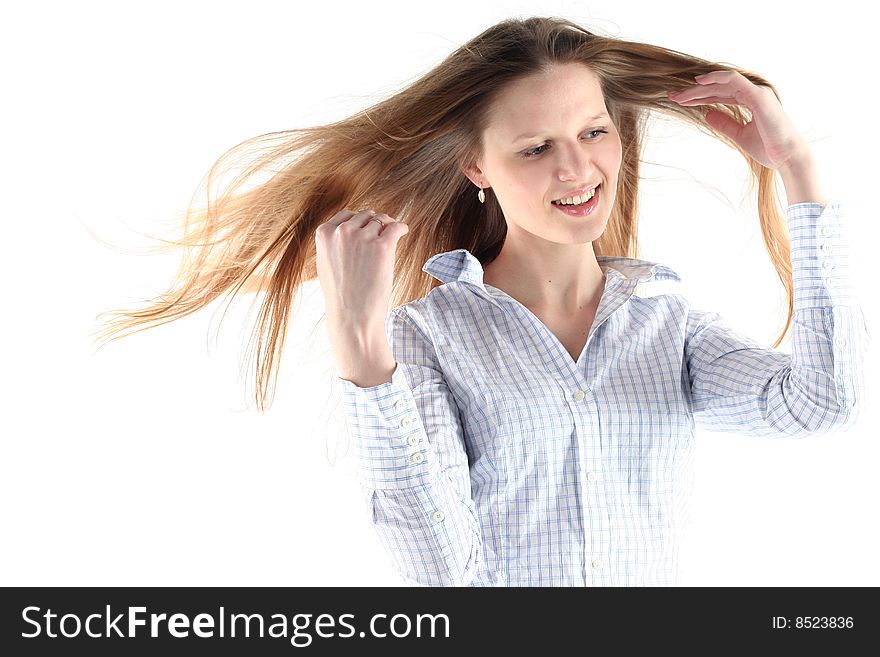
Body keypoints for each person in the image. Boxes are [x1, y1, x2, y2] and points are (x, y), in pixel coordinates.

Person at [92, 17, 870, 586]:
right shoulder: (427, 338)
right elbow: (441, 573)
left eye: (594, 131)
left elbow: (822, 405)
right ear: (477, 164)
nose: (579, 168)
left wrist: (796, 168)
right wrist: (362, 350)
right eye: (535, 147)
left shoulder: (667, 324)